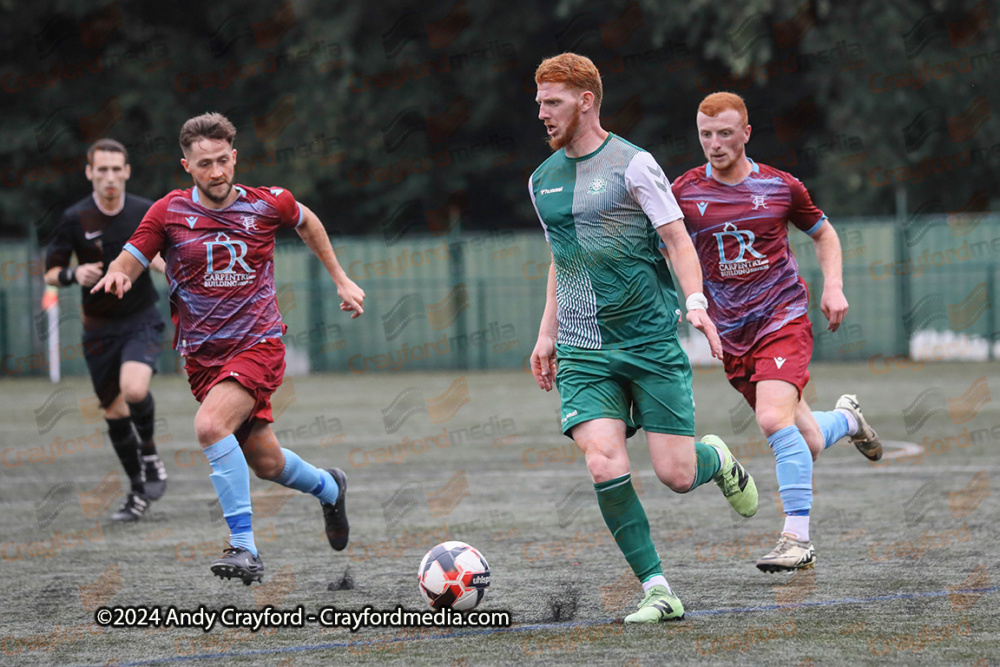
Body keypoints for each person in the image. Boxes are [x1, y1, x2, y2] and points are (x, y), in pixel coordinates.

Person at [528, 53, 759, 624]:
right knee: (603, 462)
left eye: (552, 102)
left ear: (586, 101)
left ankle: (716, 459)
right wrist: (546, 333)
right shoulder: (540, 181)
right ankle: (658, 588)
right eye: (538, 103)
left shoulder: (635, 165)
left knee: (676, 475)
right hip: (585, 348)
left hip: (651, 340)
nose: (542, 114)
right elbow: (563, 258)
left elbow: (678, 242)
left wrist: (698, 304)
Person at [92, 112, 366, 585]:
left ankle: (245, 549)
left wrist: (341, 279)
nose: (217, 172)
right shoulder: (168, 212)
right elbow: (135, 253)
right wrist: (119, 272)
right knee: (266, 463)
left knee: (209, 425)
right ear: (187, 166)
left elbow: (308, 221)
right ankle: (329, 487)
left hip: (258, 346)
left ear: (234, 157)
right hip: (203, 360)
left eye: (223, 160)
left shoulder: (267, 203)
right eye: (205, 164)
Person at [671, 92, 882, 573]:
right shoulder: (683, 191)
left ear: (746, 133)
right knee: (803, 439)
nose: (714, 144)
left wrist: (834, 287)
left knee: (771, 419)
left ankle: (796, 539)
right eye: (705, 134)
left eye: (725, 133)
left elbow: (824, 233)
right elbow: (670, 245)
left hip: (782, 316)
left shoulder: (781, 186)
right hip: (730, 332)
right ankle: (847, 420)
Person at [45, 138, 169, 522]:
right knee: (114, 413)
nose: (110, 177)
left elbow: (164, 256)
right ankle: (137, 492)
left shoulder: (145, 212)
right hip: (97, 328)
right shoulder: (74, 217)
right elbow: (51, 271)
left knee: (134, 389)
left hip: (141, 319)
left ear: (127, 171)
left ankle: (150, 452)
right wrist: (72, 274)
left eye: (117, 169)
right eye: (103, 170)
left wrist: (165, 267)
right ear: (90, 173)